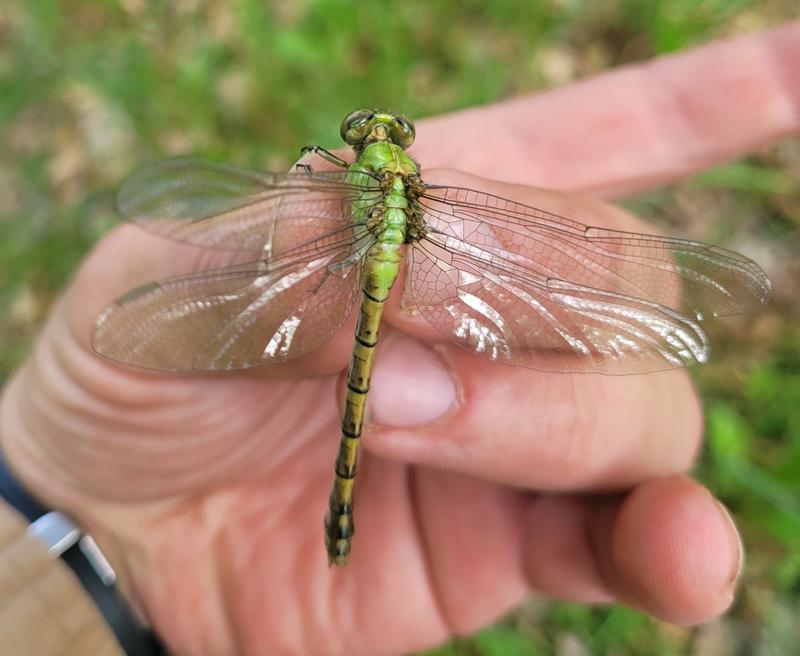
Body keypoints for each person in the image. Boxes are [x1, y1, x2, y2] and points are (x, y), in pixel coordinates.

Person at [0, 21, 797, 656]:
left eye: (379, 134)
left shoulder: (339, 170)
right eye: (370, 132)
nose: (375, 138)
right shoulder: (391, 189)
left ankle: (331, 513)